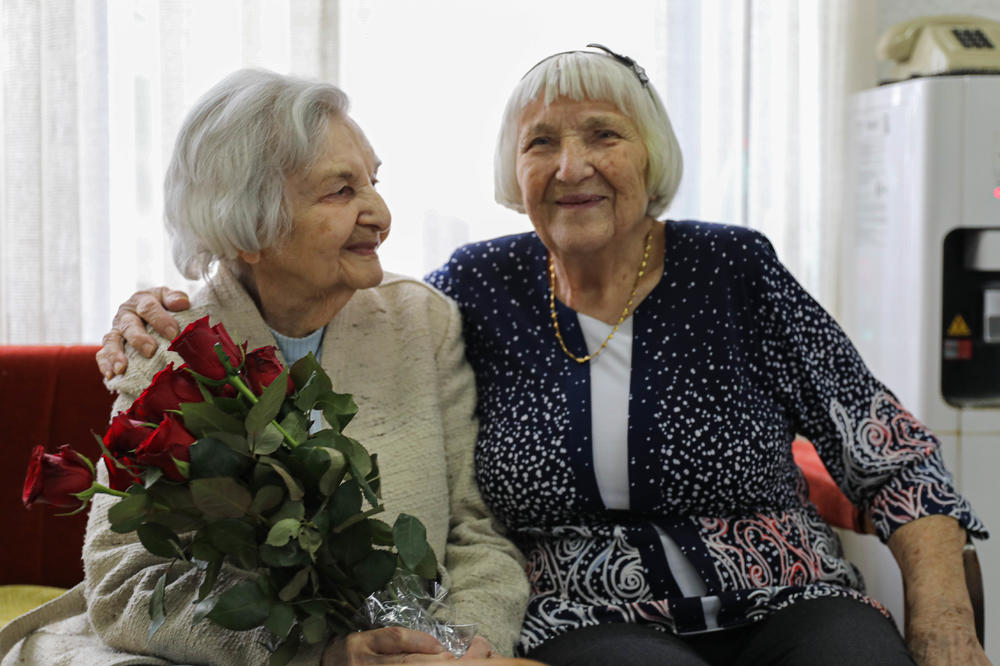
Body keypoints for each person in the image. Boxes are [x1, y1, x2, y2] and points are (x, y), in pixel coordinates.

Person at [96, 47, 989, 666]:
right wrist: (157, 311)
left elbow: (886, 448)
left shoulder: (734, 269)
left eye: (603, 134)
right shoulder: (476, 289)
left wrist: (946, 622)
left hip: (788, 590)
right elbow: (293, 294)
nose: (572, 166)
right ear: (511, 169)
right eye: (541, 143)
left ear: (651, 155)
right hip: (589, 611)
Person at [1, 69, 531, 666]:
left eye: (373, 182)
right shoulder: (167, 345)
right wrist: (316, 656)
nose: (380, 213)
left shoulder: (421, 322)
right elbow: (124, 582)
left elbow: (476, 533)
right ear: (249, 227)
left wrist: (463, 648)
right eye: (339, 191)